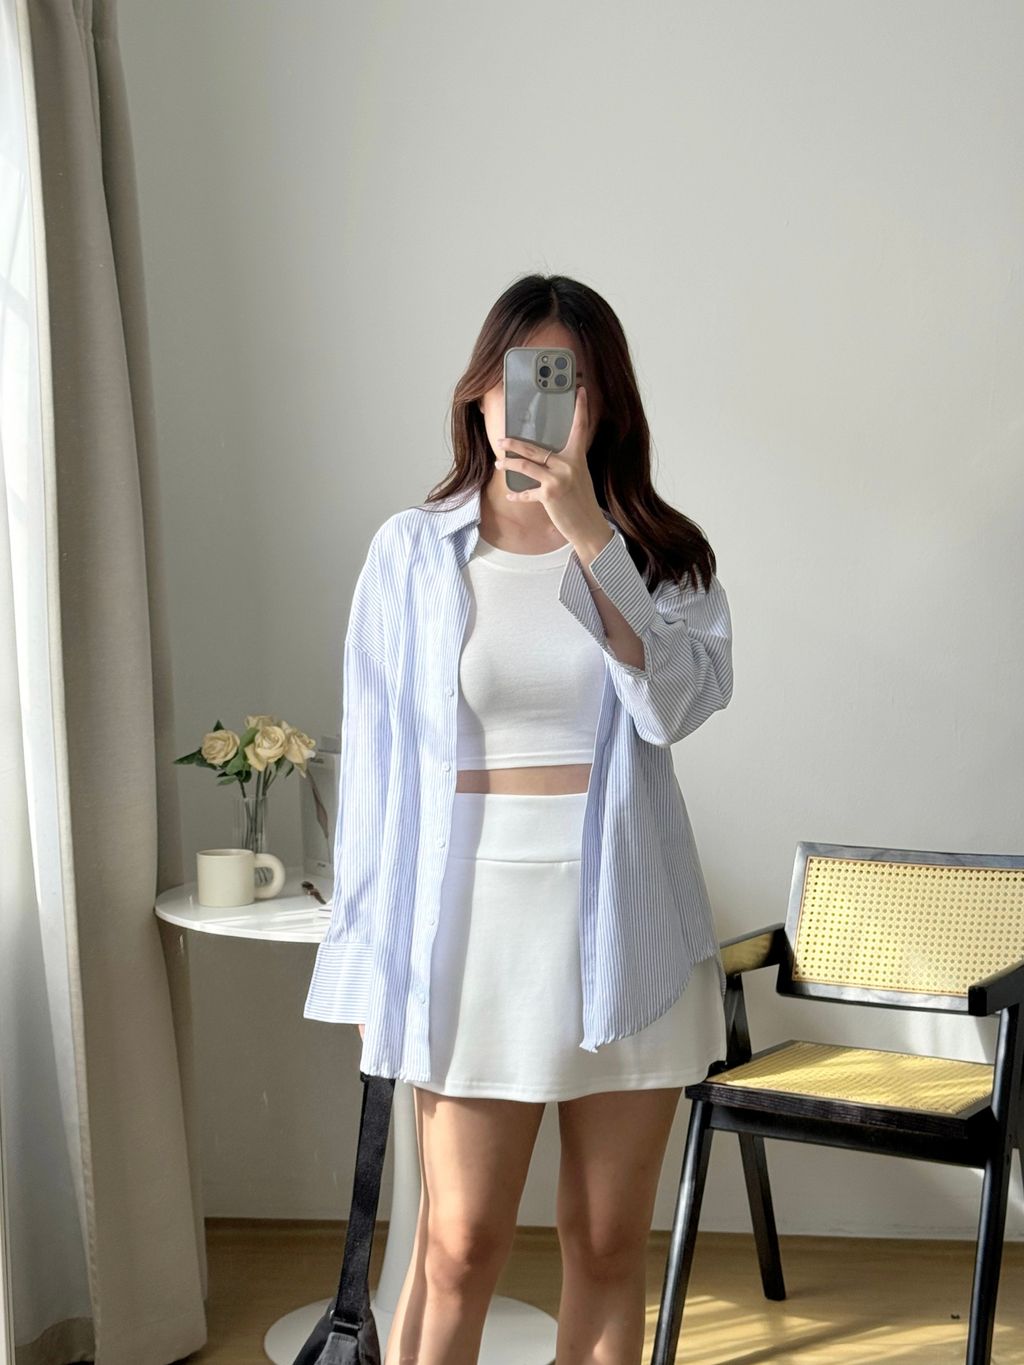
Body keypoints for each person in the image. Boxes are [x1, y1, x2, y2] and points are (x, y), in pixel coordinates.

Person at [303, 274, 734, 1365]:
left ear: (603, 403)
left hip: (630, 927)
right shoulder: (410, 553)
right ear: (480, 392)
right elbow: (376, 775)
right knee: (455, 1248)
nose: (534, 401)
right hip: (467, 936)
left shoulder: (662, 555)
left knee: (605, 1245)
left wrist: (589, 535)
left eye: (565, 380)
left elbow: (673, 706)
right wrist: (366, 965)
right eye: (518, 375)